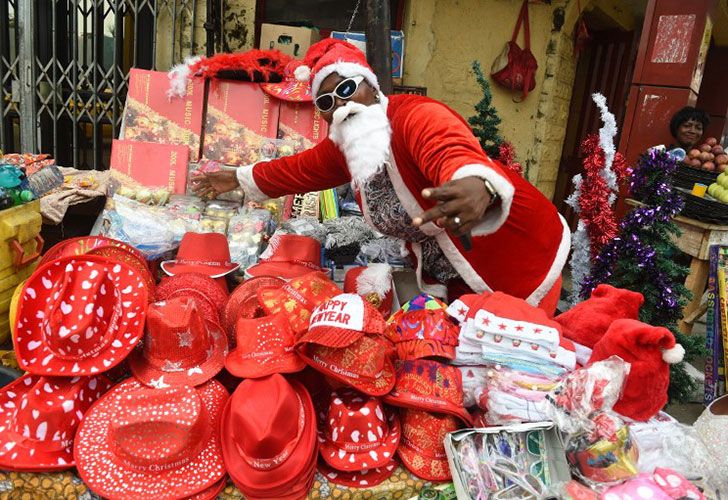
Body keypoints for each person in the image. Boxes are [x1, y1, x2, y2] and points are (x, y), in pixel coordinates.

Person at [193, 39, 570, 315]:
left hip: (518, 248)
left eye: (345, 89)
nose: (339, 105)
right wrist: (239, 179)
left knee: (514, 357)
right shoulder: (347, 144)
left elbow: (447, 145)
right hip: (452, 260)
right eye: (326, 102)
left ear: (371, 87)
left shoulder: (412, 116)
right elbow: (299, 169)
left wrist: (475, 182)